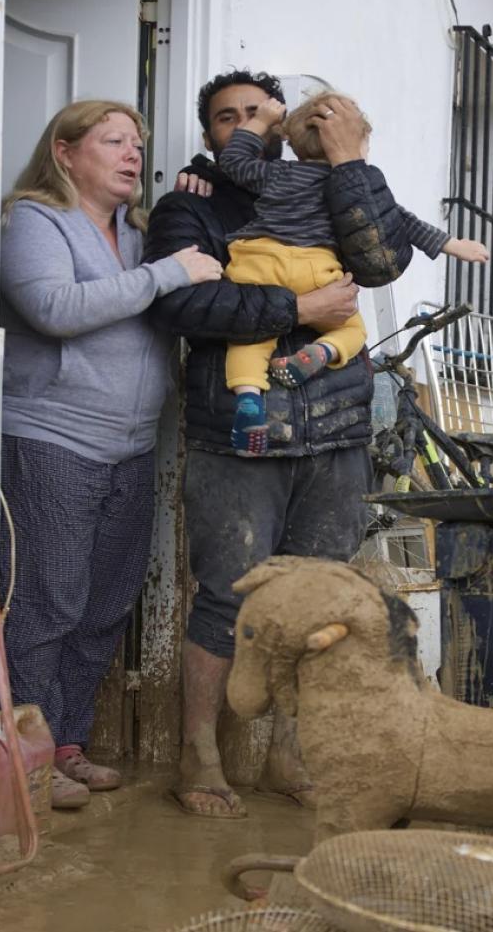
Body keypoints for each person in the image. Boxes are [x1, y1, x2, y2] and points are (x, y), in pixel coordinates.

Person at [142, 72, 418, 819]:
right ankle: (199, 751)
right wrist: (299, 307)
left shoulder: (333, 190)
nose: (242, 124)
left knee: (314, 604)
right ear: (211, 136)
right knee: (226, 598)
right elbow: (183, 305)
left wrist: (350, 161)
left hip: (337, 435)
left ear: (282, 121)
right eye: (224, 117)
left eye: (254, 111)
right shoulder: (191, 206)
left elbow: (383, 263)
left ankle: (288, 752)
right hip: (239, 434)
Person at [0, 100, 227, 810]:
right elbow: (54, 308)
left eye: (137, 144)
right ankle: (27, 757)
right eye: (113, 141)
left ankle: (67, 742)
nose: (133, 154)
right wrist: (168, 275)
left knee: (103, 607)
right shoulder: (33, 220)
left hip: (132, 447)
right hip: (52, 437)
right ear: (64, 152)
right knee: (47, 602)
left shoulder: (141, 234)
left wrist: (200, 197)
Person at [216, 91, 488, 454]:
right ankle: (323, 351)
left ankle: (249, 397)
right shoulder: (343, 185)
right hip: (315, 266)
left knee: (249, 340)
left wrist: (261, 120)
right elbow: (401, 220)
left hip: (258, 260)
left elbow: (233, 161)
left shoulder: (278, 173)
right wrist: (452, 244)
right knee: (351, 329)